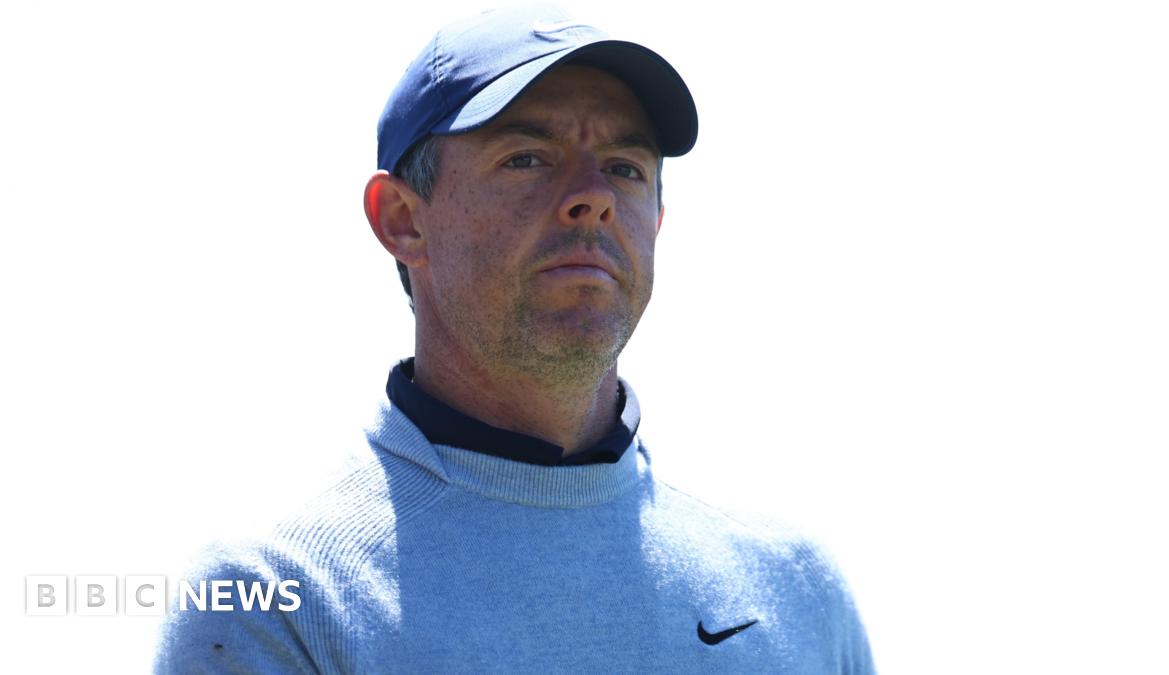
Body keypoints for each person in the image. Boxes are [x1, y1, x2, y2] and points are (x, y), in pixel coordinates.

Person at [154, 5, 875, 673]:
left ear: (656, 219)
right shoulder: (274, 595)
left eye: (625, 168)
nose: (592, 195)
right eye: (527, 157)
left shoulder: (797, 587)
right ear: (402, 219)